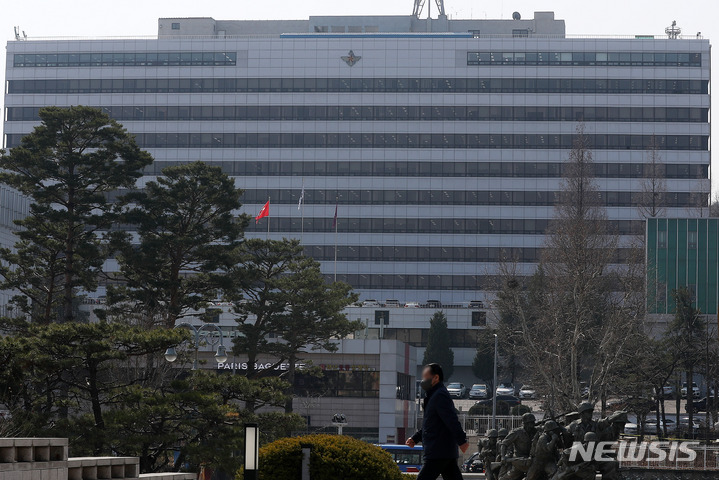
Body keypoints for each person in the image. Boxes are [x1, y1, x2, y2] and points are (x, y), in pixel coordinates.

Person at [407, 363, 469, 480]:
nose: (423, 380)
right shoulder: (433, 396)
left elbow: (451, 419)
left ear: (436, 378)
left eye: (426, 377)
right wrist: (415, 438)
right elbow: (431, 424)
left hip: (438, 451)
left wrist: (462, 440)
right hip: (442, 451)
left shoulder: (439, 395)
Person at [499, 413, 538, 480]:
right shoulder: (517, 432)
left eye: (533, 423)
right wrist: (503, 456)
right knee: (512, 475)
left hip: (530, 458)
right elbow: (504, 443)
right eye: (530, 423)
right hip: (519, 459)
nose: (532, 425)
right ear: (525, 424)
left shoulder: (535, 431)